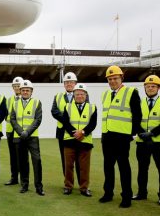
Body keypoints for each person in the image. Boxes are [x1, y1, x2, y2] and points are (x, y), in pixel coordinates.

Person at [99, 65, 141, 208]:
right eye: (110, 79)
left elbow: (137, 115)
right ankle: (108, 193)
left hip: (122, 137)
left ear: (121, 78)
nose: (112, 81)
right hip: (107, 136)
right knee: (108, 166)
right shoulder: (105, 94)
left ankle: (126, 197)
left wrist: (132, 134)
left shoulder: (131, 92)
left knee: (123, 167)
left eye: (115, 78)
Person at [60, 83, 97, 196]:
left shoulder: (92, 107)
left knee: (84, 167)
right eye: (77, 94)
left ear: (86, 95)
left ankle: (84, 188)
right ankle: (68, 186)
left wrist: (83, 132)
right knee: (69, 166)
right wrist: (75, 133)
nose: (79, 96)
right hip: (69, 141)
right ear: (74, 95)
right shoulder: (67, 107)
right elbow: (65, 123)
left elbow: (93, 124)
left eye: (82, 94)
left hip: (85, 142)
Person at [10, 80, 45, 196]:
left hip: (32, 137)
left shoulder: (37, 102)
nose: (25, 92)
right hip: (19, 137)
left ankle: (39, 187)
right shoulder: (15, 103)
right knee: (22, 162)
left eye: (27, 90)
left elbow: (38, 120)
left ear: (31, 92)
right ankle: (24, 185)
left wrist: (27, 132)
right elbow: (13, 119)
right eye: (23, 90)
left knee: (37, 161)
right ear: (20, 91)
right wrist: (21, 132)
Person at [133, 75, 160, 204]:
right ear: (144, 88)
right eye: (148, 86)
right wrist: (143, 134)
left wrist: (152, 134)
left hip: (158, 142)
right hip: (142, 142)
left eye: (153, 86)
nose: (150, 88)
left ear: (158, 88)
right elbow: (135, 120)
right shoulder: (139, 103)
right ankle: (142, 193)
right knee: (142, 169)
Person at [51, 71, 81, 183]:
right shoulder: (58, 96)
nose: (69, 84)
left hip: (77, 132)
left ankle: (82, 184)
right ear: (64, 84)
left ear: (75, 83)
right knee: (65, 160)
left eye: (71, 82)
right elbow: (54, 111)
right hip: (62, 133)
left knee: (79, 160)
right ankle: (68, 183)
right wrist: (67, 119)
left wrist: (67, 119)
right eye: (66, 82)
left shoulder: (81, 94)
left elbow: (85, 111)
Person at [4, 76, 23, 186]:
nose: (16, 88)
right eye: (14, 86)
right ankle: (14, 178)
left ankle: (23, 179)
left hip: (20, 132)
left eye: (18, 86)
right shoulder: (10, 99)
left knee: (21, 156)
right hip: (10, 131)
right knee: (12, 156)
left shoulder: (25, 99)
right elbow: (7, 114)